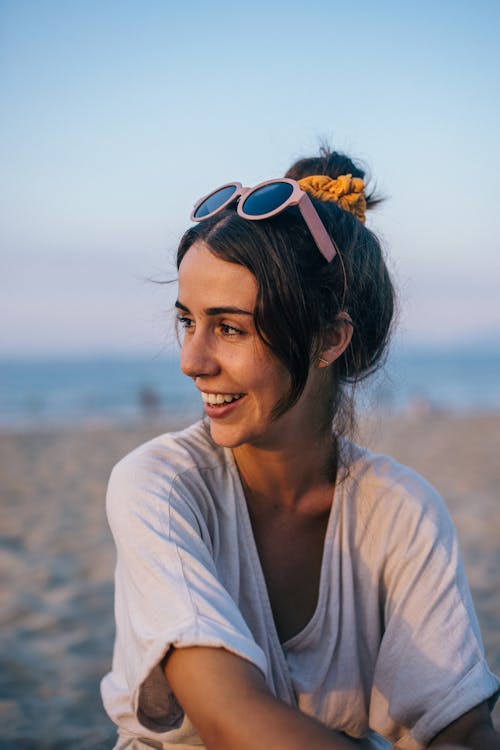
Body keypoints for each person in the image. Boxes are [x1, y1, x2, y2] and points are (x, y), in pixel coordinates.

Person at [101, 148, 500, 749]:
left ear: (330, 339)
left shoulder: (401, 510)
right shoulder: (157, 486)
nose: (191, 361)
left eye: (229, 327)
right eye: (188, 321)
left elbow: (463, 730)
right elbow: (232, 719)